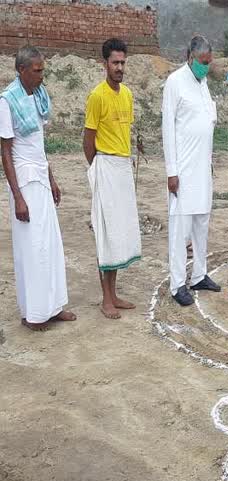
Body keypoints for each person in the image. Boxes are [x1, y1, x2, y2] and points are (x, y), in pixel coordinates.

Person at [1, 46, 76, 331]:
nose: (42, 75)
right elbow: (6, 153)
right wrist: (18, 197)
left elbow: (39, 146)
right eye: (37, 71)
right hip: (24, 181)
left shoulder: (39, 96)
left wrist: (52, 178)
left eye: (43, 70)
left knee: (50, 245)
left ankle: (54, 307)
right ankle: (33, 314)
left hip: (41, 178)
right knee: (31, 248)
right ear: (21, 70)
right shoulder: (7, 102)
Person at [83, 38, 141, 320]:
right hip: (104, 165)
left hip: (123, 168)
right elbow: (88, 142)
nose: (120, 68)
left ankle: (114, 293)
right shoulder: (97, 96)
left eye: (122, 63)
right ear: (104, 63)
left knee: (118, 234)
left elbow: (125, 134)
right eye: (115, 63)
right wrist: (99, 170)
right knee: (105, 235)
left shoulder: (128, 95)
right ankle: (105, 298)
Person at [162, 35, 220, 307]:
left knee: (201, 226)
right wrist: (172, 172)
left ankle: (199, 275)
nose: (205, 67)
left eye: (208, 63)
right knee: (180, 231)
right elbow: (168, 130)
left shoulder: (203, 83)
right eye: (202, 62)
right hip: (182, 172)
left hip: (202, 170)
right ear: (190, 57)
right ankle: (177, 285)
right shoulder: (175, 82)